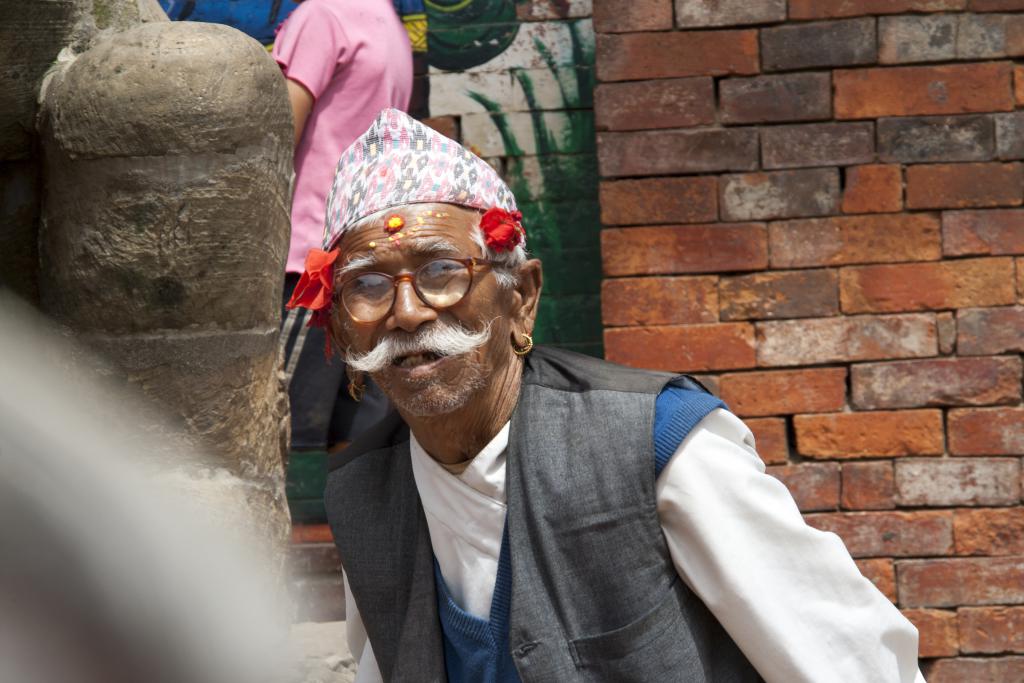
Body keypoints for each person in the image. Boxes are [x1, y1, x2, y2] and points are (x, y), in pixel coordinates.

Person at [286, 109, 926, 683]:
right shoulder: (362, 491)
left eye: (441, 272)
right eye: (367, 286)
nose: (405, 312)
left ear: (522, 296)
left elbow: (851, 662)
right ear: (340, 328)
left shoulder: (657, 441)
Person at [273, 0, 412, 452]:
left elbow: (276, 138)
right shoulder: (388, 22)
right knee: (355, 440)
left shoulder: (322, 16)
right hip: (368, 257)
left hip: (311, 263)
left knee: (275, 427)